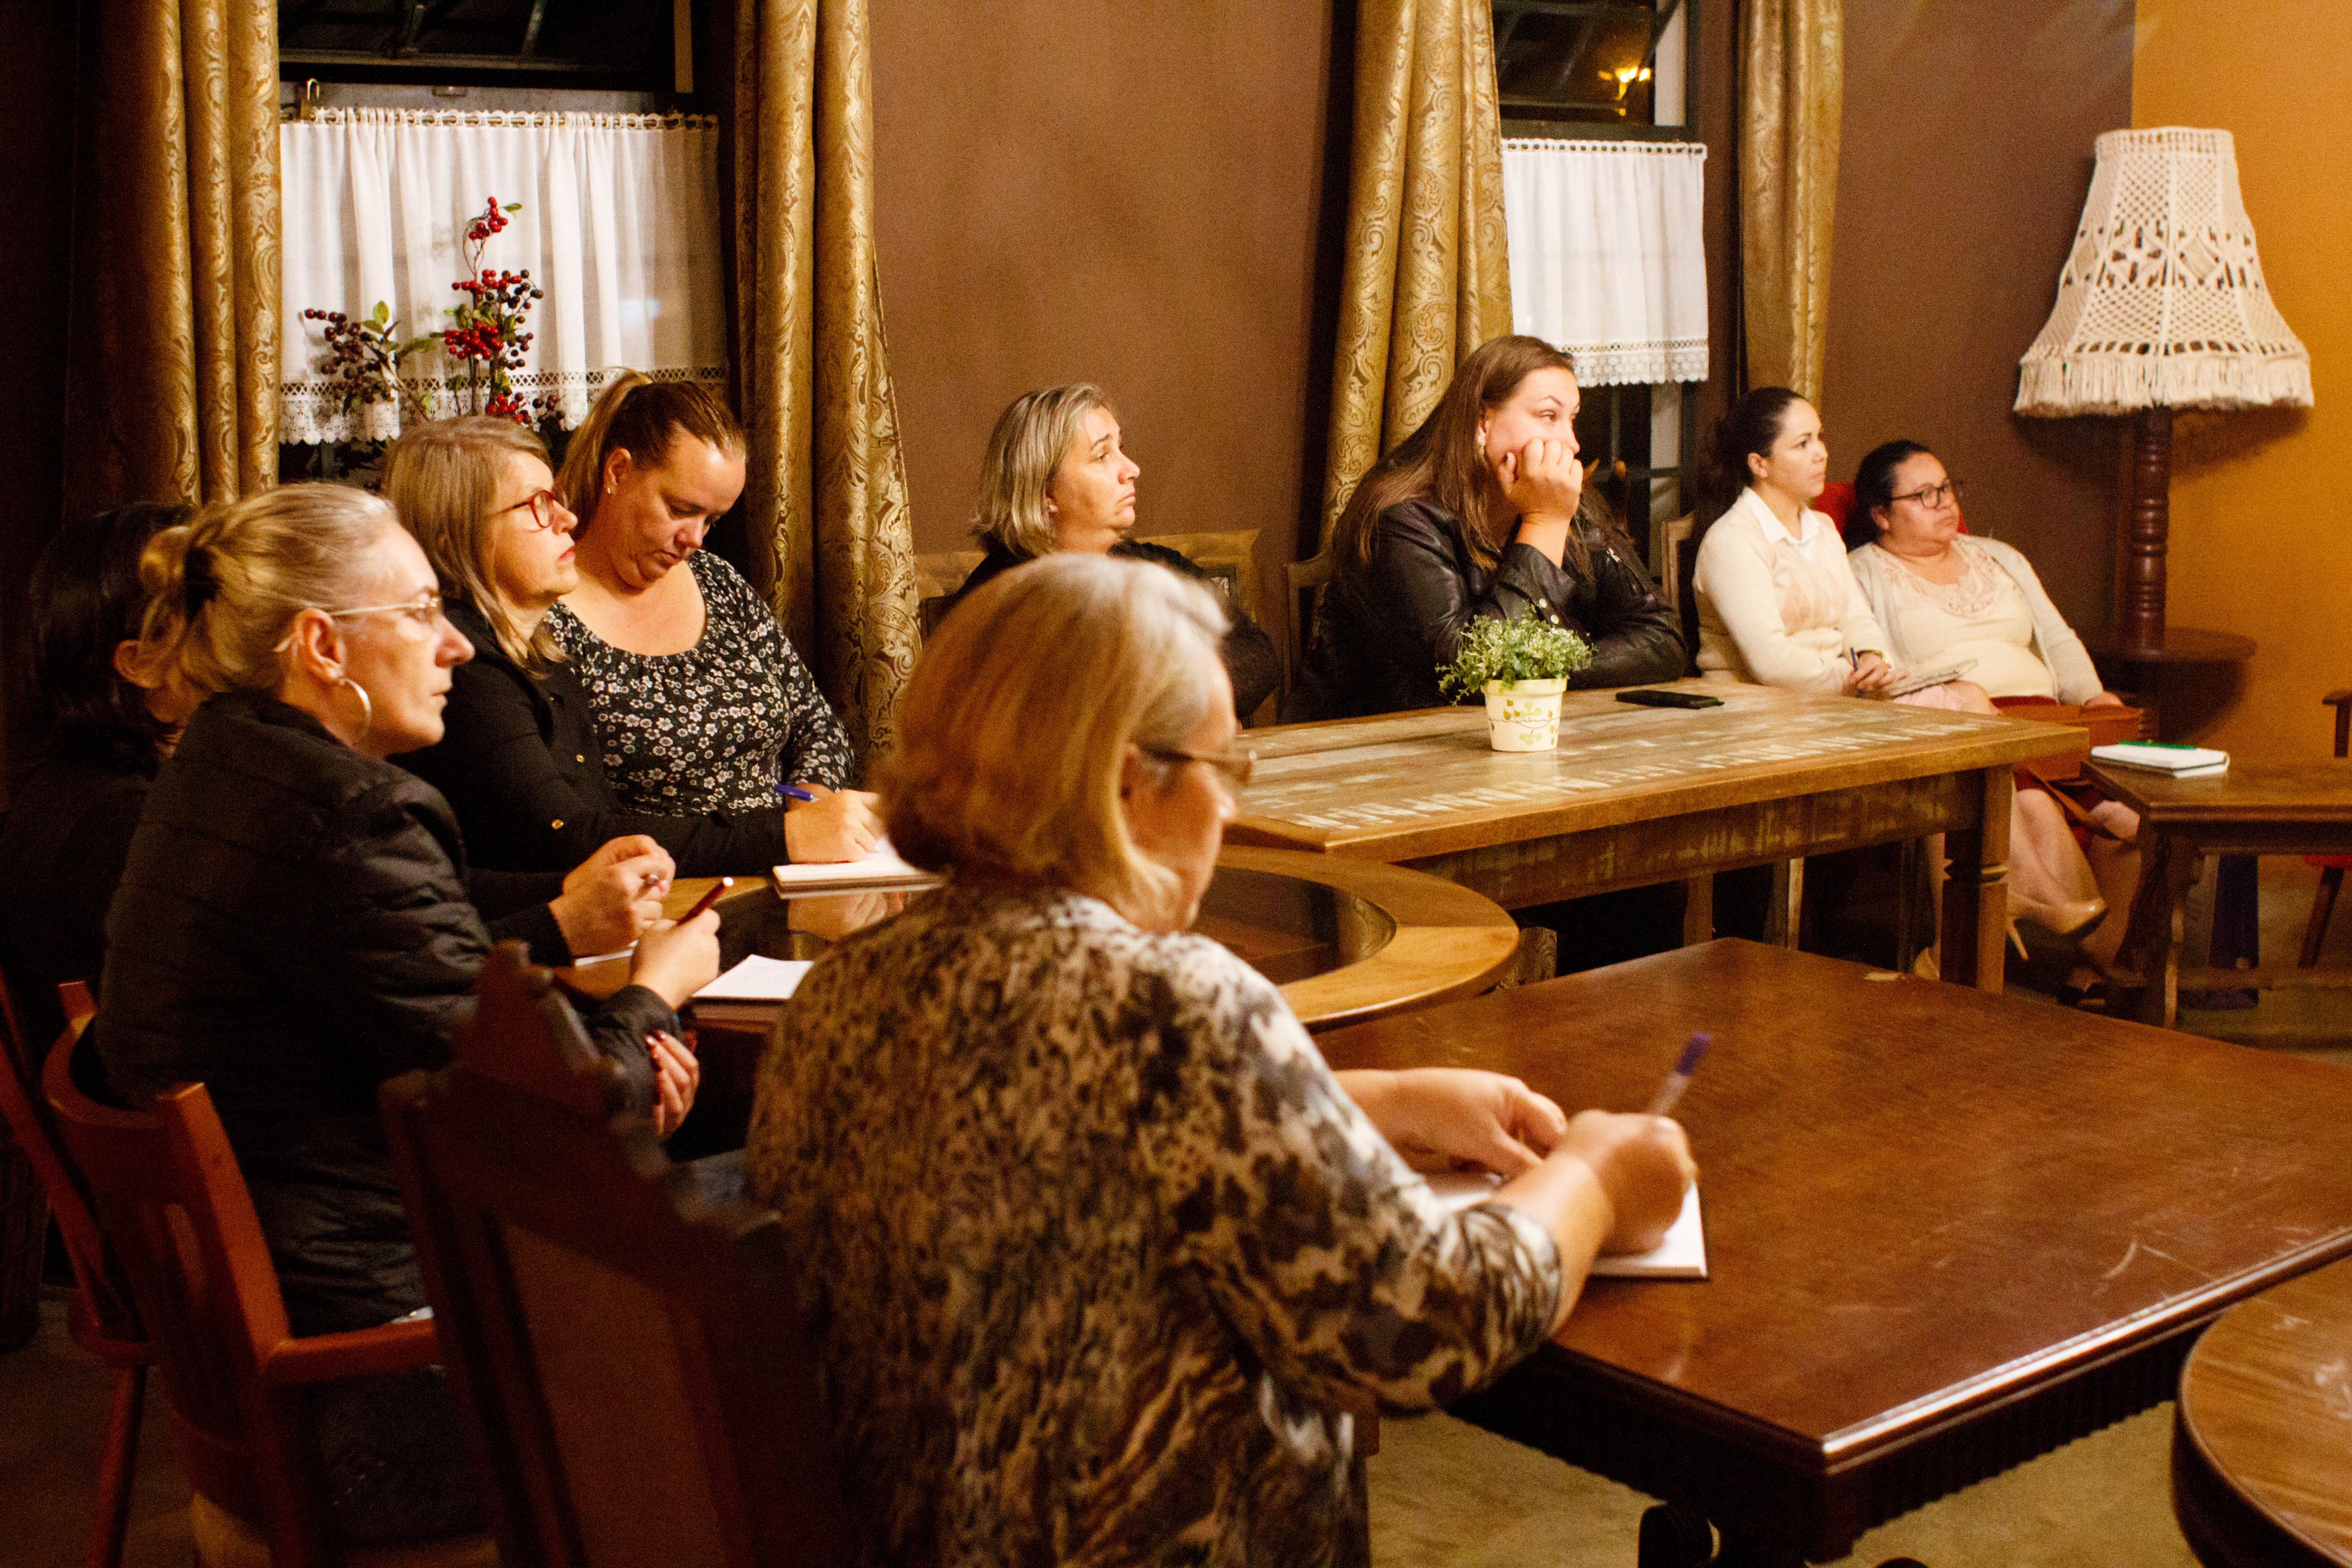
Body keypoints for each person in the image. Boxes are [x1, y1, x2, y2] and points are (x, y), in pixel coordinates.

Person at [746, 553, 1694, 1565]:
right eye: (1223, 767)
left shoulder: (838, 998)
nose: (1231, 810)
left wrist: (1364, 1102)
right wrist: (1593, 1174)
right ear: (1123, 782)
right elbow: (1419, 1328)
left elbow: (1061, 1145)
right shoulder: (1170, 1004)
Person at [94, 483, 720, 1545]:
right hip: (385, 1388)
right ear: (321, 646)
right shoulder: (347, 812)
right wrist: (661, 988)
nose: (458, 648)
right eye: (422, 612)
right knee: (807, 1312)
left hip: (298, 1357)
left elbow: (448, 1027)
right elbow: (550, 1123)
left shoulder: (216, 770)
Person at [1694, 392, 2107, 963]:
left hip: (1834, 703)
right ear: (1758, 463)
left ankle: (1998, 907)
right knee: (1945, 714)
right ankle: (2008, 903)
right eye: (1803, 443)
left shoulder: (1819, 529)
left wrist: (1874, 659)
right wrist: (1855, 680)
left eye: (1820, 437)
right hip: (1761, 714)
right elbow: (1771, 662)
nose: (1822, 453)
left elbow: (1856, 618)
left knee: (1967, 696)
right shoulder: (1732, 541)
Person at [386, 416, 808, 875]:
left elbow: (598, 822)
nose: (567, 519)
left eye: (556, 501)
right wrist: (785, 835)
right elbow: (569, 838)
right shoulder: (464, 666)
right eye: (537, 506)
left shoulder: (539, 651)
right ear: (456, 535)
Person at [1846, 438, 2142, 997]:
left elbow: (2056, 637)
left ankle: (2095, 967)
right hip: (1961, 726)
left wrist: (2095, 696)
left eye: (1947, 488)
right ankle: (2030, 915)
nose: (1943, 502)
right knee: (2016, 789)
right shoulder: (1861, 572)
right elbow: (1880, 671)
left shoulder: (2000, 556)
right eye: (1923, 494)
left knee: (2130, 824)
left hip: (2050, 724)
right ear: (1881, 515)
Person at [546, 372, 877, 864]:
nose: (696, 539)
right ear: (617, 472)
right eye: (681, 509)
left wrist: (813, 805)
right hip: (674, 887)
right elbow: (575, 824)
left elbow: (817, 726)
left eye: (712, 520)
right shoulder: (549, 614)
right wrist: (781, 839)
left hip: (791, 866)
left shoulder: (716, 582)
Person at [1306, 335, 1685, 719]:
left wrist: (1543, 669)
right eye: (1548, 416)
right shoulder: (1401, 517)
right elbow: (1471, 671)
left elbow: (1663, 638)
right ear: (1482, 423)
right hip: (1376, 750)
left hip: (1512, 739)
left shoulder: (1565, 499)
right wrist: (1544, 523)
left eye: (1572, 419)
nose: (1571, 443)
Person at [942, 383, 1283, 720]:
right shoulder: (994, 606)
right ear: (1045, 490)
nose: (1132, 469)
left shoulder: (1155, 565)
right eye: (1103, 456)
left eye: (1122, 448)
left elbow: (1257, 657)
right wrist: (1189, 712)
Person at [0, 504, 193, 1060]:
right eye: (212, 614)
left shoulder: (75, 782)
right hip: (156, 1132)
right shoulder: (119, 827)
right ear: (139, 663)